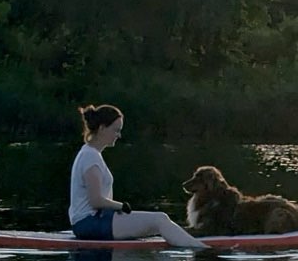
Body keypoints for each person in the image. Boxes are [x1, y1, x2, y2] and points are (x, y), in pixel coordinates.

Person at [68, 104, 208, 249]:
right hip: (90, 224)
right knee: (160, 219)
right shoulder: (90, 157)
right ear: (102, 128)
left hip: (94, 221)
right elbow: (95, 201)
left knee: (160, 224)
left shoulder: (90, 154)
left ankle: (192, 245)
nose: (119, 135)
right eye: (116, 130)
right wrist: (122, 206)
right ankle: (203, 250)